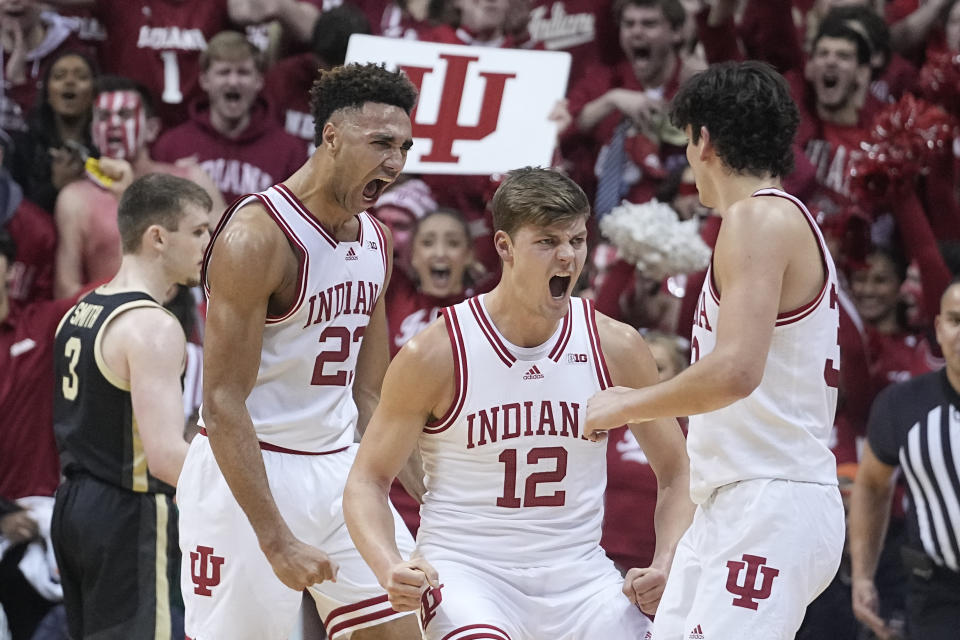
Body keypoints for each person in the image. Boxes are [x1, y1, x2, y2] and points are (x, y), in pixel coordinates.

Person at [342, 167, 694, 639]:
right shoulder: (436, 352)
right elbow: (367, 480)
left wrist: (666, 561)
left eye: (577, 239)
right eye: (547, 241)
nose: (568, 256)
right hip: (469, 573)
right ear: (505, 247)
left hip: (581, 577)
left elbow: (676, 471)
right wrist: (390, 566)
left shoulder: (617, 346)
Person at [585, 61, 846, 639]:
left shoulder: (758, 218)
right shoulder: (771, 219)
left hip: (771, 501)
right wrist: (674, 553)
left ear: (703, 138)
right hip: (735, 502)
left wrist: (626, 404)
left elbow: (734, 372)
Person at [175, 62, 422, 640]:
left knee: (410, 624)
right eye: (381, 142)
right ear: (331, 137)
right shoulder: (257, 237)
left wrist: (434, 492)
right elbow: (221, 399)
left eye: (404, 146)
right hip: (249, 474)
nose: (396, 161)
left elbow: (372, 390)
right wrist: (275, 537)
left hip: (339, 469)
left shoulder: (376, 238)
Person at [50, 172, 213, 640]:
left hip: (75, 506)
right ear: (158, 238)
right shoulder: (153, 326)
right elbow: (165, 457)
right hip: (130, 511)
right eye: (199, 231)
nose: (208, 243)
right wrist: (255, 501)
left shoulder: (80, 310)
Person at [849, 277, 960, 640]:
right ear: (940, 329)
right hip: (938, 594)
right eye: (956, 321)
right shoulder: (902, 405)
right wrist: (863, 576)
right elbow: (872, 487)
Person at [53, 75, 224, 299]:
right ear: (93, 130)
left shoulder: (190, 180)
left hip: (190, 319)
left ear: (151, 128)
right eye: (104, 116)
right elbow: (66, 291)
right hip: (116, 324)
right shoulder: (75, 199)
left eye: (124, 115)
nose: (113, 123)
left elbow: (231, 253)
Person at [152, 30, 307, 205]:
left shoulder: (290, 151)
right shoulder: (171, 146)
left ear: (259, 81)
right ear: (204, 80)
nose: (233, 82)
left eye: (243, 72)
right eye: (224, 72)